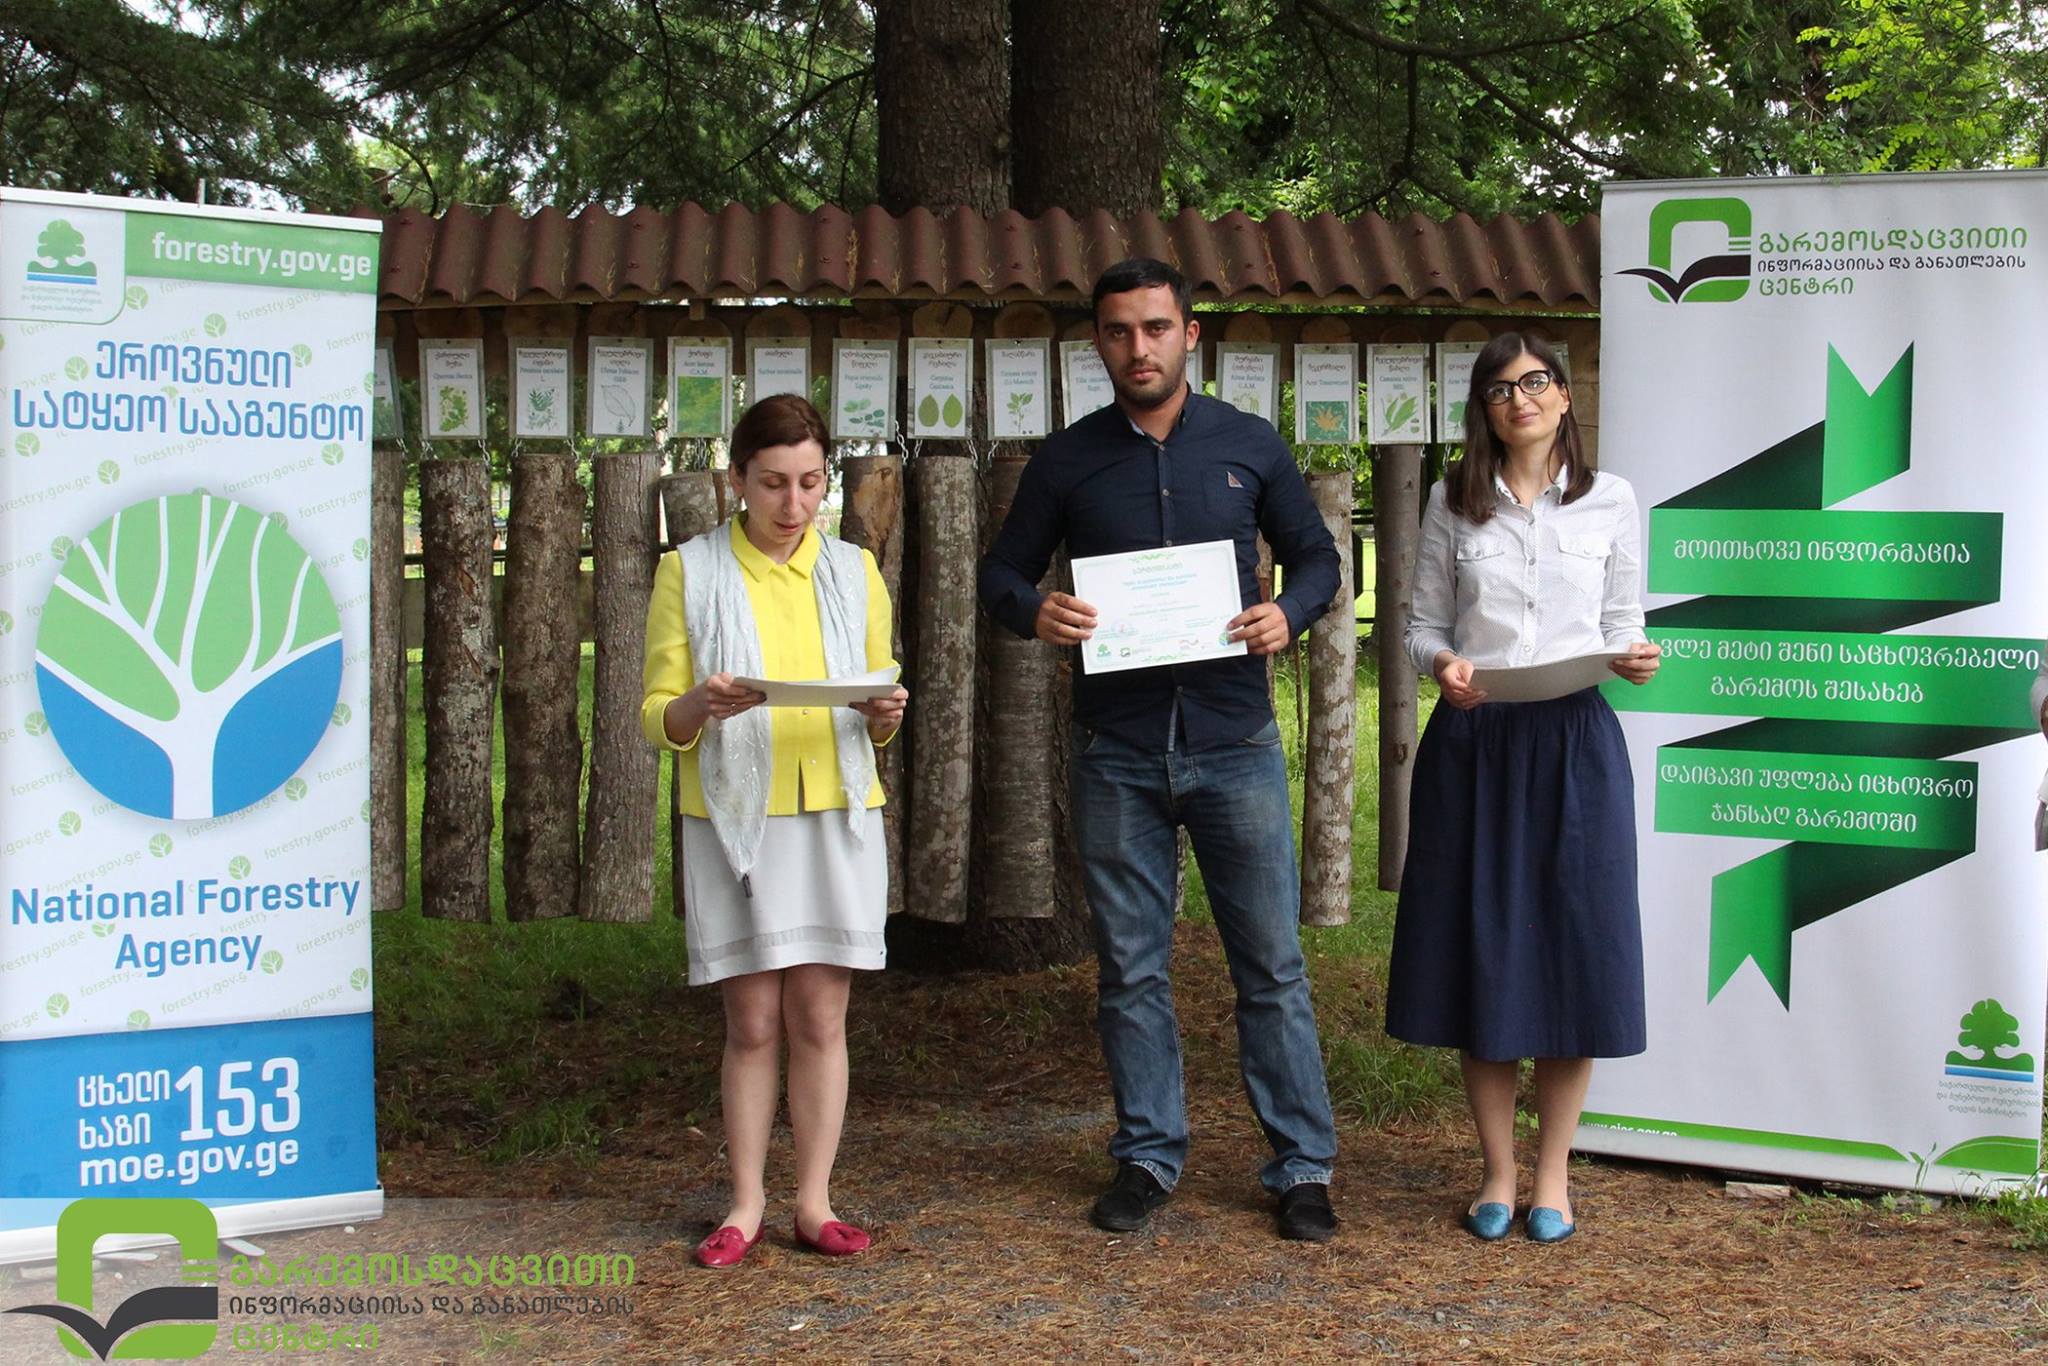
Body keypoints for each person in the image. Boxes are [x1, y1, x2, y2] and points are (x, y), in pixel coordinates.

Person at [979, 256, 1344, 1241]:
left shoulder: (1248, 445)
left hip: (1234, 741)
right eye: (1117, 331)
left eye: (1154, 328)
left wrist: (1289, 611)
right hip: (1117, 748)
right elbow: (1001, 573)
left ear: (1190, 334)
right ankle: (1146, 1154)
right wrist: (1034, 610)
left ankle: (1301, 1167)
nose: (1137, 348)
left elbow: (1318, 557)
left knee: (1270, 965)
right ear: (1097, 343)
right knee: (1131, 968)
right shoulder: (1066, 460)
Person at [1385, 332, 1661, 1244]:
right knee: (1485, 950)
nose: (1521, 399)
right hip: (1478, 742)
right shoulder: (1451, 501)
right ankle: (1498, 1173)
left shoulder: (1611, 498)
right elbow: (1421, 627)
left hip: (1577, 743)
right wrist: (1445, 665)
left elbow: (1623, 620)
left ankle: (1554, 1178)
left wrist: (1635, 657)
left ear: (1565, 396)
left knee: (1576, 951)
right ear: (1485, 409)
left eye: (1536, 382)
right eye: (1501, 389)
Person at [640, 393, 909, 1269]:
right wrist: (698, 704)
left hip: (835, 810)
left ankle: (814, 1203)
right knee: (753, 1019)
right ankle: (745, 1203)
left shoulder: (854, 572)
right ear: (736, 480)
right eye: (772, 484)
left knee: (820, 1016)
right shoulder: (689, 571)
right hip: (734, 818)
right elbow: (656, 716)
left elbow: (876, 708)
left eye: (811, 482)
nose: (794, 504)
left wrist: (884, 715)